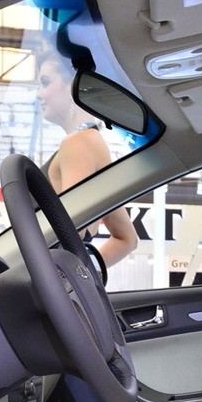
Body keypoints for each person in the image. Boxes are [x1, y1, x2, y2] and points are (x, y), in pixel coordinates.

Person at [36, 52, 138, 267]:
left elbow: (72, 230)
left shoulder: (79, 143)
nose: (39, 94)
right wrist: (82, 276)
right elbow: (126, 240)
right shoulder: (91, 141)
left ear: (72, 85)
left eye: (45, 82)